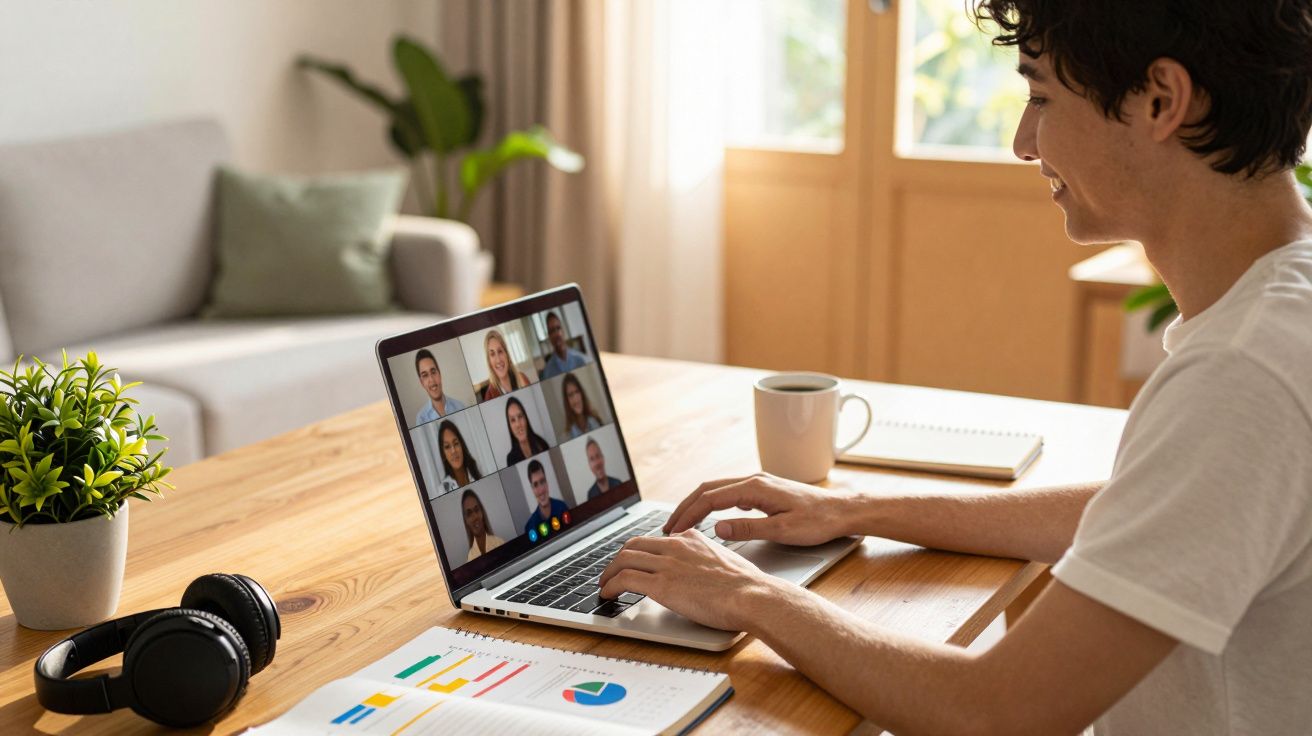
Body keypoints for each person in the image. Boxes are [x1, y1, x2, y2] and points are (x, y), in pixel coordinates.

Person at [599, 2, 1312, 733]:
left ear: (1161, 100)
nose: (1022, 142)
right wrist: (857, 508)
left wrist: (748, 596)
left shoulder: (1245, 371)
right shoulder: (1285, 305)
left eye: (1041, 97)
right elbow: (1154, 505)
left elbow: (1000, 710)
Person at [414, 349, 466, 425]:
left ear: (440, 374)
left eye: (433, 372)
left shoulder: (460, 407)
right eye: (425, 375)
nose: (431, 379)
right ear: (422, 383)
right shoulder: (421, 419)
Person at [522, 459, 570, 537]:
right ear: (532, 489)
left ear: (547, 482)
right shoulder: (530, 527)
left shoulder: (562, 507)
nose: (541, 490)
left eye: (542, 481)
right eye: (535, 485)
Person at [481, 329, 532, 401]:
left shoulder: (523, 379)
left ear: (507, 354)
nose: (498, 360)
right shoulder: (489, 396)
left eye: (500, 351)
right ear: (489, 361)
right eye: (492, 354)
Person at [538, 312, 589, 379]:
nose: (557, 334)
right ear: (549, 337)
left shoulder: (580, 360)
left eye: (558, 328)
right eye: (552, 331)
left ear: (563, 330)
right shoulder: (547, 372)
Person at [437, 420, 482, 493]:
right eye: (447, 447)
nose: (453, 451)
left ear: (462, 446)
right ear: (443, 454)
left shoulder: (476, 469)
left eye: (456, 443)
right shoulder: (442, 489)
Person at [461, 489, 505, 562]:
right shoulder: (470, 559)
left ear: (482, 512)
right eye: (469, 513)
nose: (475, 517)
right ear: (466, 522)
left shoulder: (499, 543)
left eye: (477, 510)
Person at [503, 396, 550, 465]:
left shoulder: (542, 443)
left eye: (520, 416)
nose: (518, 424)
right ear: (509, 427)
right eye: (513, 420)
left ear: (526, 418)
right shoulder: (511, 459)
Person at [560, 373, 602, 439]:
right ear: (566, 401)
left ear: (581, 393)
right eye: (570, 395)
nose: (576, 398)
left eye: (577, 392)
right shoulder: (567, 436)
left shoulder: (597, 420)